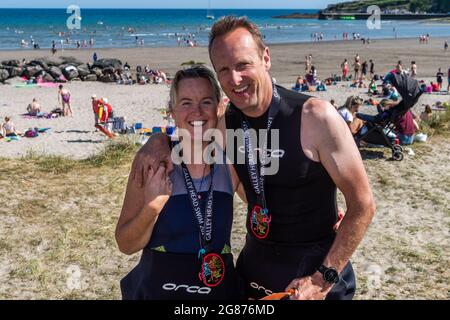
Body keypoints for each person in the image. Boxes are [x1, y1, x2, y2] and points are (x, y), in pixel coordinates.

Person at [131, 16, 375, 300]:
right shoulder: (226, 121)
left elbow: (363, 205)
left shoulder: (315, 117)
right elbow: (190, 127)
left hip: (312, 274)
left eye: (242, 64)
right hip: (254, 270)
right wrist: (156, 140)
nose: (234, 79)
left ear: (266, 58)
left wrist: (324, 278)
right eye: (223, 70)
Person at [116, 66, 242, 300]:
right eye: (185, 103)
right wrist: (151, 209)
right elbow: (125, 244)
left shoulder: (231, 163)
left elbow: (271, 205)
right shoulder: (154, 163)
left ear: (219, 107)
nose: (197, 112)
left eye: (206, 101)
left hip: (219, 292)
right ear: (172, 110)